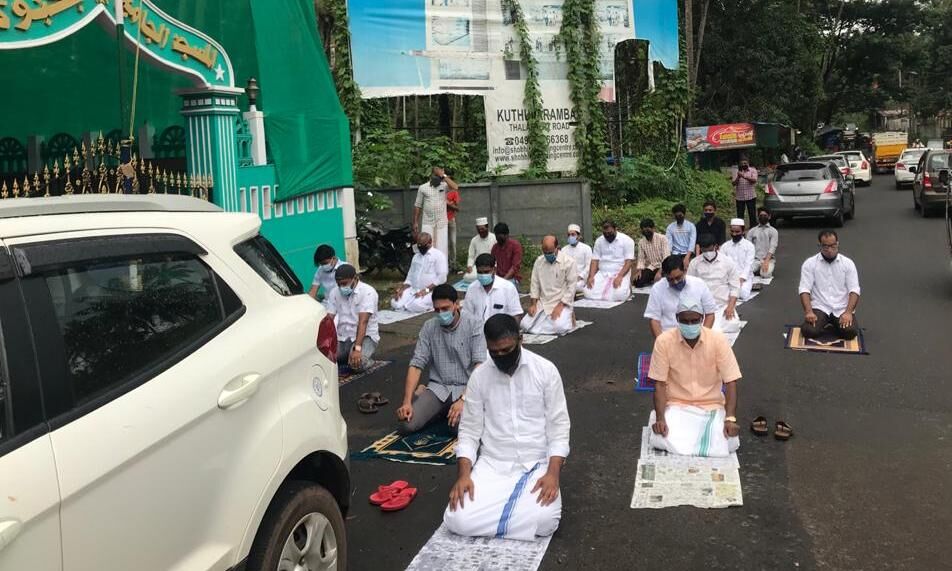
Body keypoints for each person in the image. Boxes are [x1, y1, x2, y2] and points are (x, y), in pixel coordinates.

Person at [444, 314, 570, 541]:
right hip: (493, 465)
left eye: (506, 350)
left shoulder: (545, 370)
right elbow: (469, 432)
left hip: (536, 463)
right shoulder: (480, 377)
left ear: (521, 340)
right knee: (456, 519)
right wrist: (463, 475)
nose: (501, 356)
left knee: (545, 521)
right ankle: (514, 518)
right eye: (494, 352)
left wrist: (553, 474)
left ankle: (499, 516)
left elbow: (558, 427)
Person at [648, 297, 742, 458]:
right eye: (685, 321)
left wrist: (730, 418)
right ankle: (658, 418)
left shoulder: (718, 340)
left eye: (694, 321)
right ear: (677, 319)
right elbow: (660, 384)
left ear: (702, 319)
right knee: (659, 438)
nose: (690, 325)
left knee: (730, 442)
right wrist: (660, 418)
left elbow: (731, 381)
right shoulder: (664, 341)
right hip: (677, 406)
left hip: (711, 406)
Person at [396, 284, 486, 434]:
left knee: (457, 428)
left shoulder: (474, 324)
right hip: (439, 388)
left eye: (445, 308)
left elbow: (480, 366)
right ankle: (434, 404)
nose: (441, 313)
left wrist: (464, 399)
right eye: (437, 310)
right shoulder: (429, 327)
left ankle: (442, 408)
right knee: (407, 424)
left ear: (456, 304)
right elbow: (417, 364)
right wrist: (407, 402)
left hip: (466, 388)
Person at [798, 230, 861, 340]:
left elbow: (854, 290)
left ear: (838, 244)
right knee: (808, 331)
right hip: (820, 307)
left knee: (850, 332)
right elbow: (804, 289)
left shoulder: (848, 263)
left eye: (833, 246)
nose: (830, 250)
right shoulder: (810, 263)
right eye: (825, 246)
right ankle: (827, 323)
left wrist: (848, 313)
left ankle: (835, 324)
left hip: (841, 308)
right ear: (819, 245)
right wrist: (809, 312)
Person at [645, 255, 717, 338]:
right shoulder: (657, 288)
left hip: (696, 335)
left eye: (678, 278)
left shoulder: (699, 284)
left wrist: (703, 338)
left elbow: (710, 313)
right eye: (670, 280)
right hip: (669, 337)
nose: (675, 282)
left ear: (685, 271)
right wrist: (661, 342)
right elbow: (654, 319)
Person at [324, 264, 379, 372]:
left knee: (357, 364)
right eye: (339, 284)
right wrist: (325, 341)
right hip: (343, 337)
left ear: (355, 278)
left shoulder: (368, 292)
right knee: (327, 359)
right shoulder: (334, 292)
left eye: (344, 284)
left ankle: (369, 361)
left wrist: (357, 349)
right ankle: (348, 355)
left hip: (365, 337)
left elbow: (363, 322)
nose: (341, 287)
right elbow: (329, 319)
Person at [687, 234, 742, 333]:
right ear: (700, 249)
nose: (707, 253)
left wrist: (731, 306)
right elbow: (690, 286)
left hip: (722, 306)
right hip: (702, 307)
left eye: (709, 249)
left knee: (733, 326)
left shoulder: (727, 262)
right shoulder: (694, 263)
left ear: (716, 246)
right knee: (696, 328)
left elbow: (735, 287)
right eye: (704, 250)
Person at [522, 236, 577, 335]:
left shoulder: (569, 262)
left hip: (561, 301)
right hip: (543, 302)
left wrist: (561, 305)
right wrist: (533, 304)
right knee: (524, 325)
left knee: (560, 327)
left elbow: (571, 287)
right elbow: (534, 284)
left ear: (557, 248)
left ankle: (570, 316)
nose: (548, 255)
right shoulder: (539, 261)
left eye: (550, 252)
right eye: (545, 252)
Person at [392, 232, 449, 313]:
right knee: (395, 303)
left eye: (423, 245)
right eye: (418, 245)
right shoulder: (416, 256)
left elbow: (442, 278)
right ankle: (408, 304)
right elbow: (410, 275)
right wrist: (402, 289)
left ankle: (433, 304)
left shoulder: (438, 255)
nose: (420, 247)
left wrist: (425, 290)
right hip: (413, 290)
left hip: (431, 291)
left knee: (415, 305)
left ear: (430, 242)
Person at [462, 253, 523, 323]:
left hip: (501, 329)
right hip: (477, 329)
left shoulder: (508, 288)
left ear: (494, 270)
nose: (483, 275)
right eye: (480, 272)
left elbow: (516, 315)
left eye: (486, 272)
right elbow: (467, 315)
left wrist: (510, 329)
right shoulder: (472, 288)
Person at [584, 219, 635, 301]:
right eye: (605, 233)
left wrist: (620, 276)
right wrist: (591, 276)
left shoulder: (627, 240)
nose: (607, 235)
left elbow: (629, 262)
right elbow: (595, 260)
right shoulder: (599, 241)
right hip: (603, 273)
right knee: (587, 292)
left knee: (619, 295)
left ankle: (628, 288)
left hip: (620, 271)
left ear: (615, 229)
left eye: (610, 233)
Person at [413, 167, 459, 257]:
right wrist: (415, 222)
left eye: (439, 177)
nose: (438, 178)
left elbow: (455, 187)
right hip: (428, 222)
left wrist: (443, 175)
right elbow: (418, 205)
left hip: (441, 223)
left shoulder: (444, 186)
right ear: (431, 176)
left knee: (442, 249)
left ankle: (442, 266)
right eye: (436, 176)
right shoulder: (422, 188)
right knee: (427, 247)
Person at [720, 218, 756, 301]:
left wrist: (741, 279)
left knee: (742, 293)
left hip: (744, 278)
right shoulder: (725, 246)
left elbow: (748, 265)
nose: (734, 234)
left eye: (737, 232)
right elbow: (722, 264)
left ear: (743, 232)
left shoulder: (749, 246)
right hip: (728, 278)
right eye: (732, 231)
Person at [635, 218, 670, 288]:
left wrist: (659, 272)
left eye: (648, 228)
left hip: (664, 267)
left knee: (662, 283)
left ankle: (658, 278)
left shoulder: (662, 238)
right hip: (652, 266)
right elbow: (641, 258)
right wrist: (639, 271)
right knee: (637, 282)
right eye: (643, 229)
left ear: (653, 228)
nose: (645, 231)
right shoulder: (641, 242)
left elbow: (666, 257)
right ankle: (653, 279)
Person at [747, 207, 778, 279]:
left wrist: (766, 261)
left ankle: (762, 269)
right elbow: (747, 247)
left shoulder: (773, 231)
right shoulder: (752, 231)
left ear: (769, 217)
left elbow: (773, 247)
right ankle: (757, 269)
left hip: (768, 259)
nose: (763, 217)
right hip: (755, 259)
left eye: (765, 215)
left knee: (765, 275)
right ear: (758, 217)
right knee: (745, 272)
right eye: (761, 215)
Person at [563, 223, 593, 293]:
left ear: (579, 236)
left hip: (581, 279)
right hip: (567, 279)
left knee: (576, 287)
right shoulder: (564, 250)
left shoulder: (586, 248)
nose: (570, 236)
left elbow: (589, 266)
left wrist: (580, 276)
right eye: (569, 235)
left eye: (573, 234)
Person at [464, 217, 495, 281]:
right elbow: (471, 256)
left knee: (491, 276)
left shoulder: (494, 238)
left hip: (491, 266)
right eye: (479, 229)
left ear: (487, 227)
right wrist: (469, 266)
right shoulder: (474, 240)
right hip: (479, 267)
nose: (481, 231)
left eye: (482, 229)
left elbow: (498, 256)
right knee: (467, 277)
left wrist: (495, 266)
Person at [665, 204, 696, 268]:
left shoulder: (691, 226)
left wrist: (687, 257)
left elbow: (692, 243)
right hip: (675, 253)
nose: (678, 217)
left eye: (680, 215)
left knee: (689, 267)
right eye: (676, 216)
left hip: (688, 253)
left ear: (684, 214)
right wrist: (669, 256)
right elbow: (669, 243)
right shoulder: (670, 227)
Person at [732, 155, 759, 228]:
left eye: (745, 163)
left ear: (748, 163)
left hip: (751, 196)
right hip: (740, 197)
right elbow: (733, 183)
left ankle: (753, 227)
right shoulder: (736, 171)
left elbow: (754, 180)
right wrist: (738, 177)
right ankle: (740, 228)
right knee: (740, 214)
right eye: (742, 163)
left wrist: (744, 176)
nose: (743, 165)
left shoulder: (753, 170)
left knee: (752, 213)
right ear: (739, 164)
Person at [447, 183, 461, 269]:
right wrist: (450, 203)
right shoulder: (439, 192)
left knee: (452, 242)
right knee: (444, 243)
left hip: (451, 219)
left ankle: (453, 264)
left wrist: (447, 203)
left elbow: (457, 207)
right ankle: (446, 264)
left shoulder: (454, 192)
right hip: (441, 220)